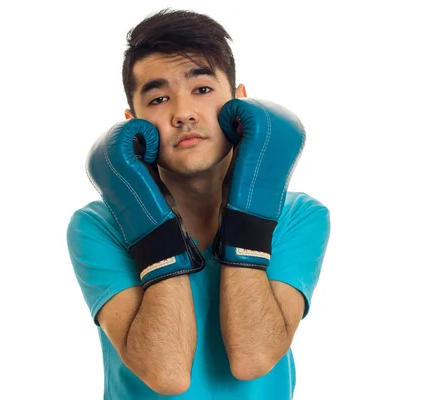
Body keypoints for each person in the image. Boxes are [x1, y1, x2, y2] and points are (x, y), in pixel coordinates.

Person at [66, 8, 331, 399]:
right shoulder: (98, 226)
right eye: (158, 98)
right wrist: (146, 217)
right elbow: (167, 374)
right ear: (133, 122)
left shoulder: (298, 217)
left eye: (203, 90)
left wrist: (248, 214)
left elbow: (253, 358)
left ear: (240, 101)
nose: (183, 113)